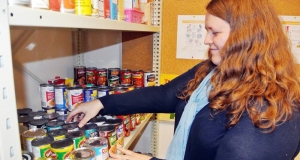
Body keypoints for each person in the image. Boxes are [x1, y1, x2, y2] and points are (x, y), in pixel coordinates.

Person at [67, 0, 300, 159]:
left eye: (215, 32)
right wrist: (101, 103)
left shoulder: (270, 108)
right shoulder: (212, 71)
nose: (207, 40)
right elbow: (164, 95)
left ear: (247, 36)